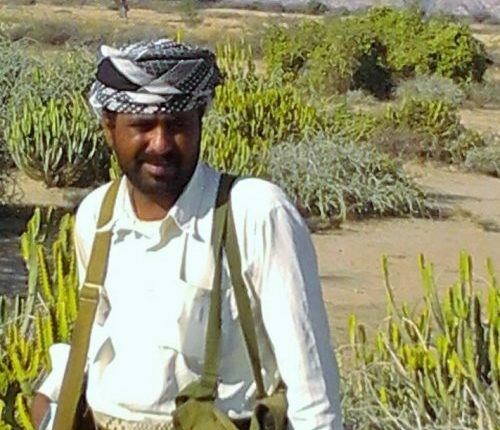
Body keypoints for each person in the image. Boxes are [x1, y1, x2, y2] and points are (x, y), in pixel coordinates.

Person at [31, 39, 344, 430]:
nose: (161, 144)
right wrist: (53, 394)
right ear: (109, 128)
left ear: (200, 121)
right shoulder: (97, 215)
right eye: (143, 126)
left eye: (178, 125)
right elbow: (100, 329)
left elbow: (313, 389)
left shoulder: (254, 212)